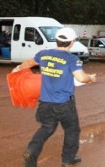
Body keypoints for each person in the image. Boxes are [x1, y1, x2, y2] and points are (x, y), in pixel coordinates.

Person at [12, 27, 97, 167]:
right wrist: (91, 78)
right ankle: (68, 159)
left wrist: (18, 68)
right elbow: (81, 78)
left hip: (45, 103)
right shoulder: (71, 58)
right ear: (72, 42)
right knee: (72, 130)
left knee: (46, 128)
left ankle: (31, 151)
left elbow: (29, 63)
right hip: (64, 104)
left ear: (56, 40)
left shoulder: (43, 54)